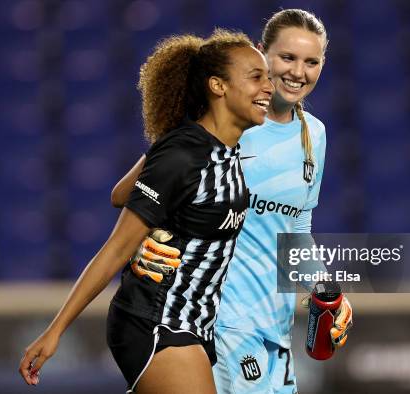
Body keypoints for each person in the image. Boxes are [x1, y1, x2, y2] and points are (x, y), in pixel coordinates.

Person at [19, 29, 274, 394]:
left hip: (195, 324)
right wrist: (55, 330)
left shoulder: (217, 150)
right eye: (256, 77)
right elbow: (117, 249)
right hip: (157, 320)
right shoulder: (184, 155)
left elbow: (120, 193)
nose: (268, 86)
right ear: (218, 86)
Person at [112, 9, 353, 394]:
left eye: (312, 61)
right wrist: (151, 238)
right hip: (221, 322)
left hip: (275, 326)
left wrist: (324, 288)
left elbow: (297, 231)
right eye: (286, 58)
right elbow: (128, 192)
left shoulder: (315, 136)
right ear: (261, 54)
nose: (298, 72)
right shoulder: (227, 121)